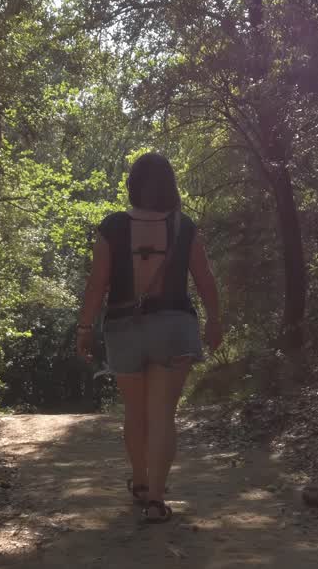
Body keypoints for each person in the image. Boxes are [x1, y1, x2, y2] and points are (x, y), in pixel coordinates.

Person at [75, 152, 223, 523]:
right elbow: (204, 278)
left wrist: (85, 327)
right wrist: (215, 320)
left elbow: (97, 284)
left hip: (124, 328)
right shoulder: (184, 227)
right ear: (171, 186)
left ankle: (140, 482)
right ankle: (156, 500)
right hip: (174, 327)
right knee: (162, 416)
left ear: (132, 186)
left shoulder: (112, 227)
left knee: (136, 413)